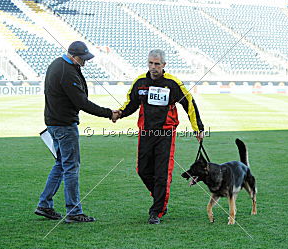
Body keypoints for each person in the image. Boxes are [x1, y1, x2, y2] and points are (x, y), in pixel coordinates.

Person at [114, 49, 204, 224]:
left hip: (166, 134)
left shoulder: (173, 83)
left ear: (164, 65)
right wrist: (120, 113)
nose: (153, 67)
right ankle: (159, 196)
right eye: (150, 63)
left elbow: (189, 103)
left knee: (162, 173)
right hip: (146, 132)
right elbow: (131, 103)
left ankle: (157, 211)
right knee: (143, 170)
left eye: (157, 64)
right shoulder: (140, 82)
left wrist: (197, 128)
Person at [35, 41, 119, 223]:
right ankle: (73, 211)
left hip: (53, 123)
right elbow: (82, 103)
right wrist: (109, 113)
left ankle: (44, 205)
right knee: (71, 167)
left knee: (61, 164)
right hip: (64, 125)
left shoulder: (58, 64)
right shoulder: (67, 71)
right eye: (82, 59)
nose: (85, 62)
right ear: (73, 56)